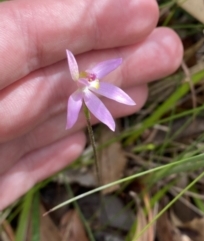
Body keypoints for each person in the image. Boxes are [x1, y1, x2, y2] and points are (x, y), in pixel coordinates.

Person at [0, 0, 183, 210]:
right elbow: (73, 108)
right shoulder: (77, 94)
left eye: (90, 78)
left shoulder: (89, 88)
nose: (89, 79)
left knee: (112, 107)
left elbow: (109, 70)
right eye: (87, 77)